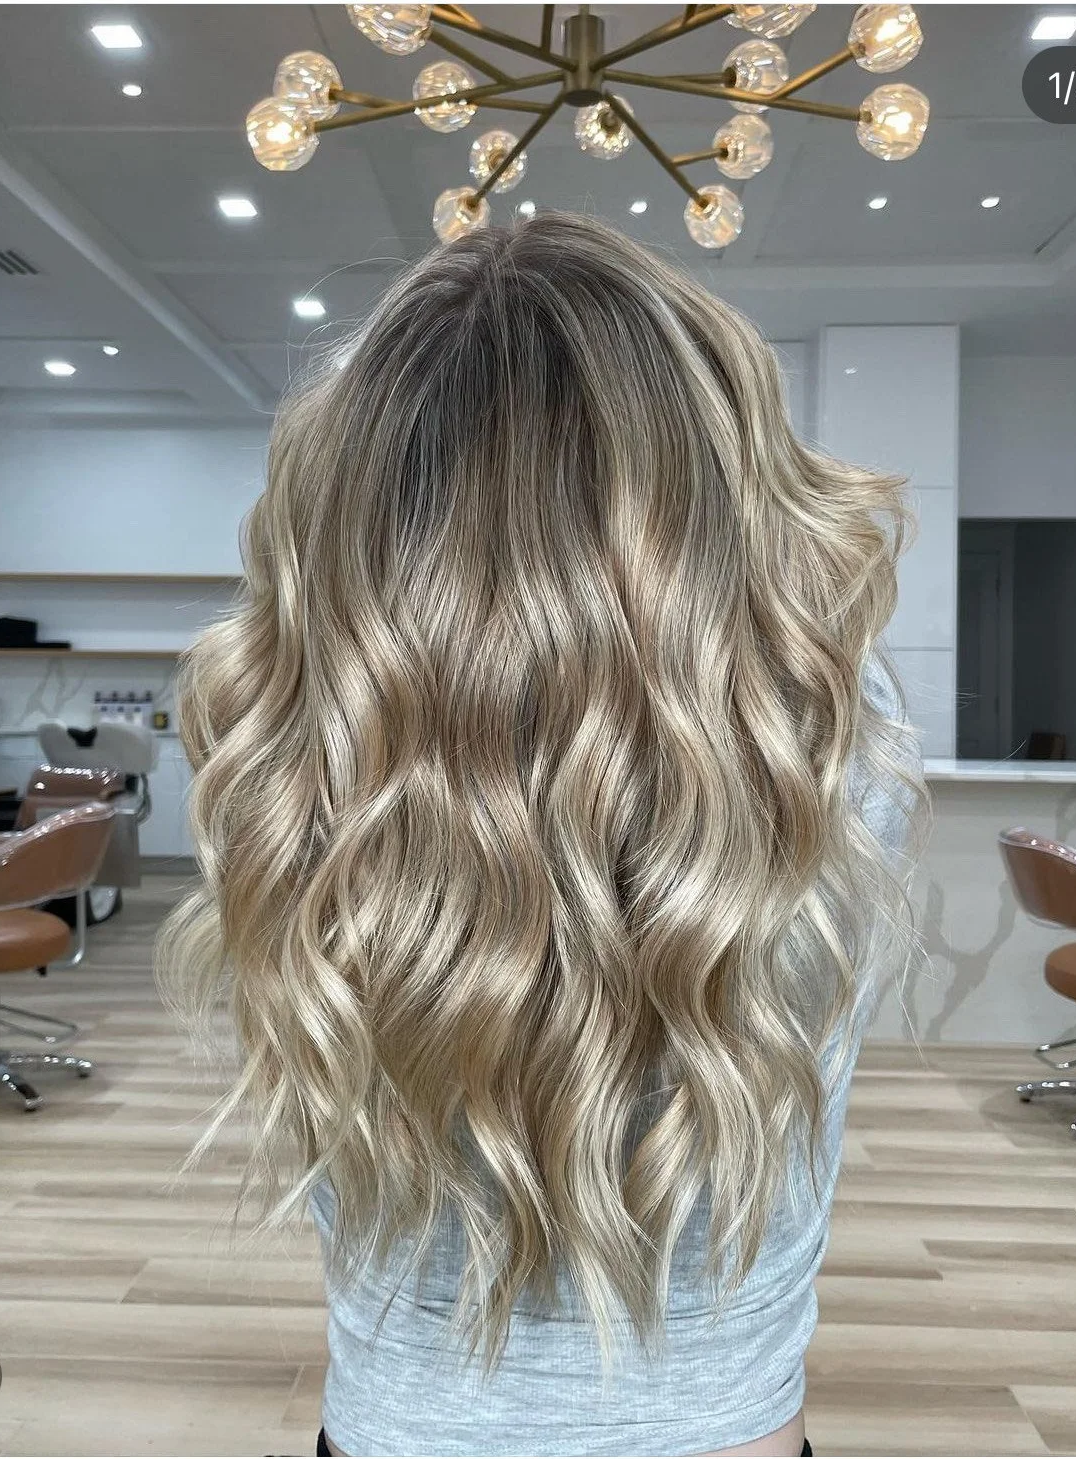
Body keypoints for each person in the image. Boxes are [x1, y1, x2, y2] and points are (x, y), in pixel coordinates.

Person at [159, 212, 926, 1458]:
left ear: (357, 492)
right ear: (710, 467)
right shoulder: (827, 729)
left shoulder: (284, 741)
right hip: (719, 1430)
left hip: (400, 1427)